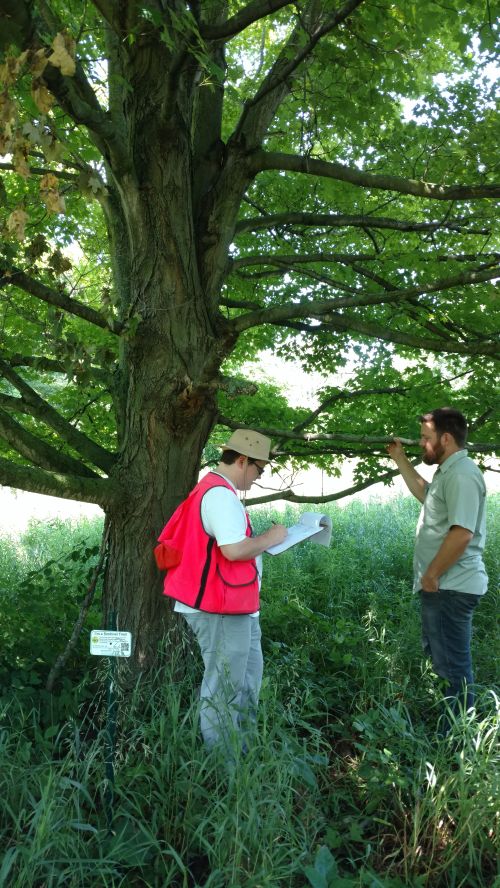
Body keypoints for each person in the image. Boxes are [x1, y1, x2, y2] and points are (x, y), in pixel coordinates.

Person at [156, 429, 287, 751]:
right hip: (220, 607)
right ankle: (224, 766)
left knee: (245, 680)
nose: (259, 476)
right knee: (224, 687)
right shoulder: (219, 496)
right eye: (260, 469)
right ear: (243, 461)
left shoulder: (215, 490)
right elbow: (234, 550)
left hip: (233, 606)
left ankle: (243, 750)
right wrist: (273, 537)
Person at [387, 407, 487, 722]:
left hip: (449, 586)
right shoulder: (448, 472)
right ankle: (453, 731)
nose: (421, 443)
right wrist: (400, 459)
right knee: (444, 663)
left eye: (425, 437)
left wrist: (432, 575)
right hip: (443, 585)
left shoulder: (462, 473)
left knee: (453, 667)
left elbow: (462, 533)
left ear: (446, 438)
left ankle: (458, 742)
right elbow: (426, 494)